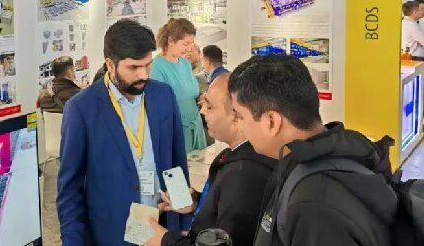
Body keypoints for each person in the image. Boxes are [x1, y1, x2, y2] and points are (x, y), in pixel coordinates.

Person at [228, 54, 397, 246]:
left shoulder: (313, 205)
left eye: (240, 116)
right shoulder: (336, 151)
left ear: (271, 122)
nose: (238, 125)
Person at [57, 19, 191, 246]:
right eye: (134, 67)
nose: (144, 75)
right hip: (113, 233)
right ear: (110, 64)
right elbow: (70, 190)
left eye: (147, 65)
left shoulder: (163, 95)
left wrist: (184, 220)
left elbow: (176, 161)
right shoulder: (82, 109)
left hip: (162, 227)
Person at [143, 75, 276, 246]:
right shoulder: (232, 156)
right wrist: (199, 203)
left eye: (210, 106)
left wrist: (163, 240)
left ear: (237, 115)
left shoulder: (244, 175)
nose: (202, 111)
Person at [150, 18, 207, 156]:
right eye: (185, 44)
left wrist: (203, 97)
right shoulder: (157, 67)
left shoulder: (185, 63)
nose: (189, 48)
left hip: (196, 125)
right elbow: (157, 107)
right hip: (175, 131)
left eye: (192, 44)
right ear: (171, 41)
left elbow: (190, 92)